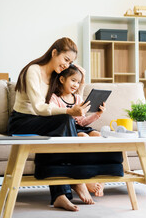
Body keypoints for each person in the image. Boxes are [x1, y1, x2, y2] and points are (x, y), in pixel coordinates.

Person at [7, 37, 123, 212]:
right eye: (65, 59)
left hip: (42, 121)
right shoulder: (33, 71)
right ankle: (76, 181)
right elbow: (39, 108)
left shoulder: (57, 75)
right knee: (66, 121)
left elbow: (70, 95)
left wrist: (80, 82)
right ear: (54, 53)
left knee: (67, 126)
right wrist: (69, 112)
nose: (67, 65)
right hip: (23, 121)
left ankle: (61, 194)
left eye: (71, 62)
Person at [49, 64, 105, 196]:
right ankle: (85, 180)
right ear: (62, 79)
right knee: (84, 138)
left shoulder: (78, 98)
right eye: (73, 80)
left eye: (78, 82)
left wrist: (98, 114)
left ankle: (101, 182)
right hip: (68, 128)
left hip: (80, 126)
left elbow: (82, 121)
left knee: (98, 136)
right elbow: (53, 117)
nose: (76, 84)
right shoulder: (54, 98)